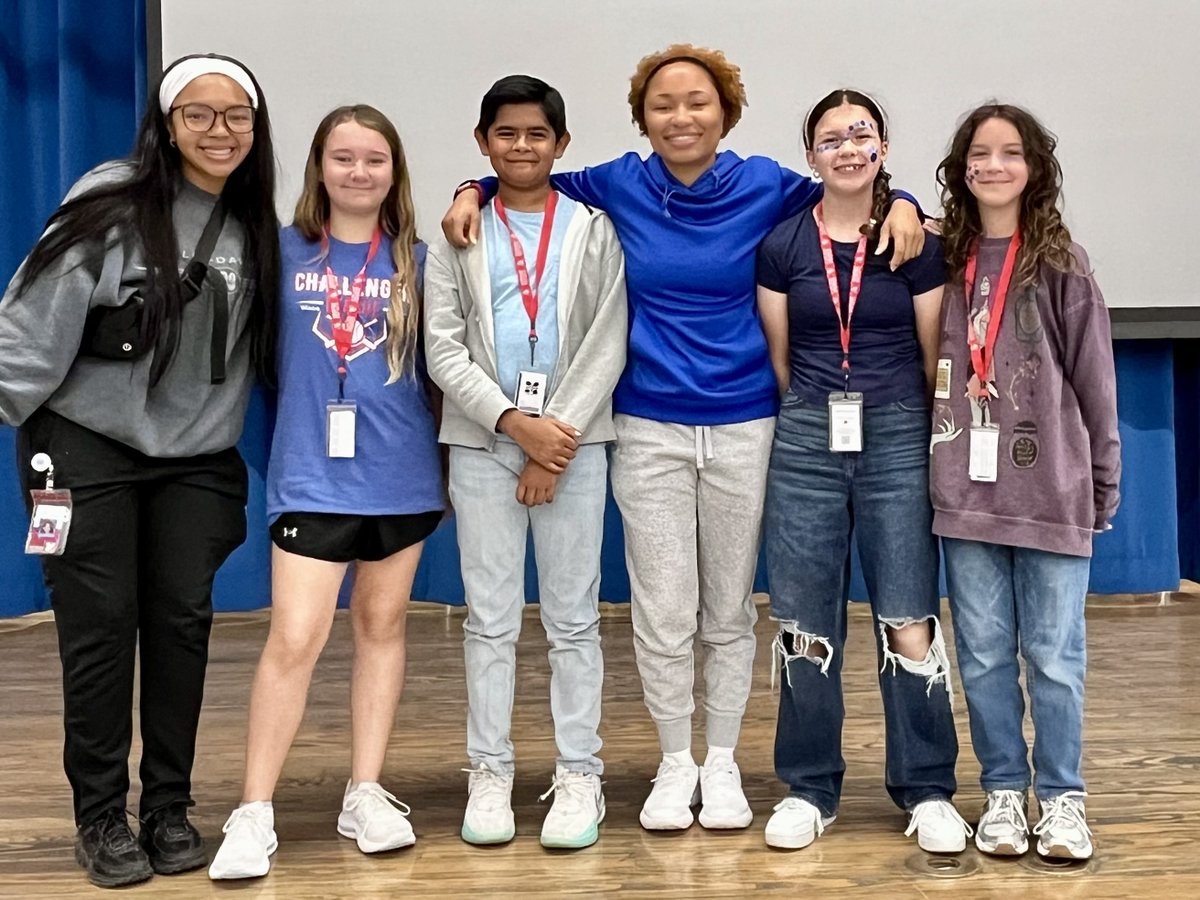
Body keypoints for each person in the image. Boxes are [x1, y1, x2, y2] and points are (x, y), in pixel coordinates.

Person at [443, 44, 925, 833]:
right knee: (663, 610)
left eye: (697, 102)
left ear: (724, 111)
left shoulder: (766, 183)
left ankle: (725, 762)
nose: (681, 117)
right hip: (646, 426)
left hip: (746, 423)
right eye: (663, 104)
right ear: (644, 118)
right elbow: (527, 178)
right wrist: (471, 187)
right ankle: (676, 762)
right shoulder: (620, 184)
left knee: (729, 609)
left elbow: (851, 187)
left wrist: (902, 198)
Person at [0, 53, 279, 887]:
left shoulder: (253, 223)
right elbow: (34, 310)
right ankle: (100, 819)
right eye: (200, 114)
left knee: (180, 627)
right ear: (166, 123)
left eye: (237, 116)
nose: (220, 130)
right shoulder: (111, 197)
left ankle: (166, 808)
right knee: (98, 629)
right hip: (85, 443)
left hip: (194, 457)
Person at [207, 105, 444, 879]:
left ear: (393, 171)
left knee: (382, 630)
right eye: (343, 158)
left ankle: (365, 791)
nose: (358, 172)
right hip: (311, 479)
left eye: (374, 159)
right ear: (318, 168)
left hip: (401, 479)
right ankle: (253, 811)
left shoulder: (417, 261)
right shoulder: (277, 256)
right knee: (296, 637)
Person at [756, 89, 967, 853]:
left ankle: (928, 788)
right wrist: (817, 415)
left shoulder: (914, 243)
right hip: (810, 433)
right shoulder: (782, 245)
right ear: (810, 155)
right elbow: (782, 360)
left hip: (898, 431)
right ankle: (809, 788)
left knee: (909, 617)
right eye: (831, 138)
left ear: (881, 147)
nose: (847, 148)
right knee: (805, 622)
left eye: (862, 134)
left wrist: (894, 420)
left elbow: (930, 352)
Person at [425, 75, 626, 850]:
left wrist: (555, 436)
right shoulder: (457, 232)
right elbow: (442, 345)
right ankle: (490, 770)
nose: (520, 146)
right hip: (482, 445)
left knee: (576, 619)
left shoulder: (594, 229)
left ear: (561, 145)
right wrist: (513, 422)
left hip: (573, 449)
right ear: (483, 143)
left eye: (536, 135)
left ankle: (580, 771)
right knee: (491, 620)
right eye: (504, 134)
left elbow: (609, 337)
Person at [930, 103, 1120, 861]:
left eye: (1011, 152)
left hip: (1051, 495)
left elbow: (1097, 386)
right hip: (965, 494)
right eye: (980, 152)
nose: (994, 165)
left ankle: (1064, 798)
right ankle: (1005, 789)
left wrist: (1102, 483)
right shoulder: (942, 262)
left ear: (1034, 168)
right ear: (962, 167)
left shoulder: (1063, 264)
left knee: (1054, 656)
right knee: (978, 654)